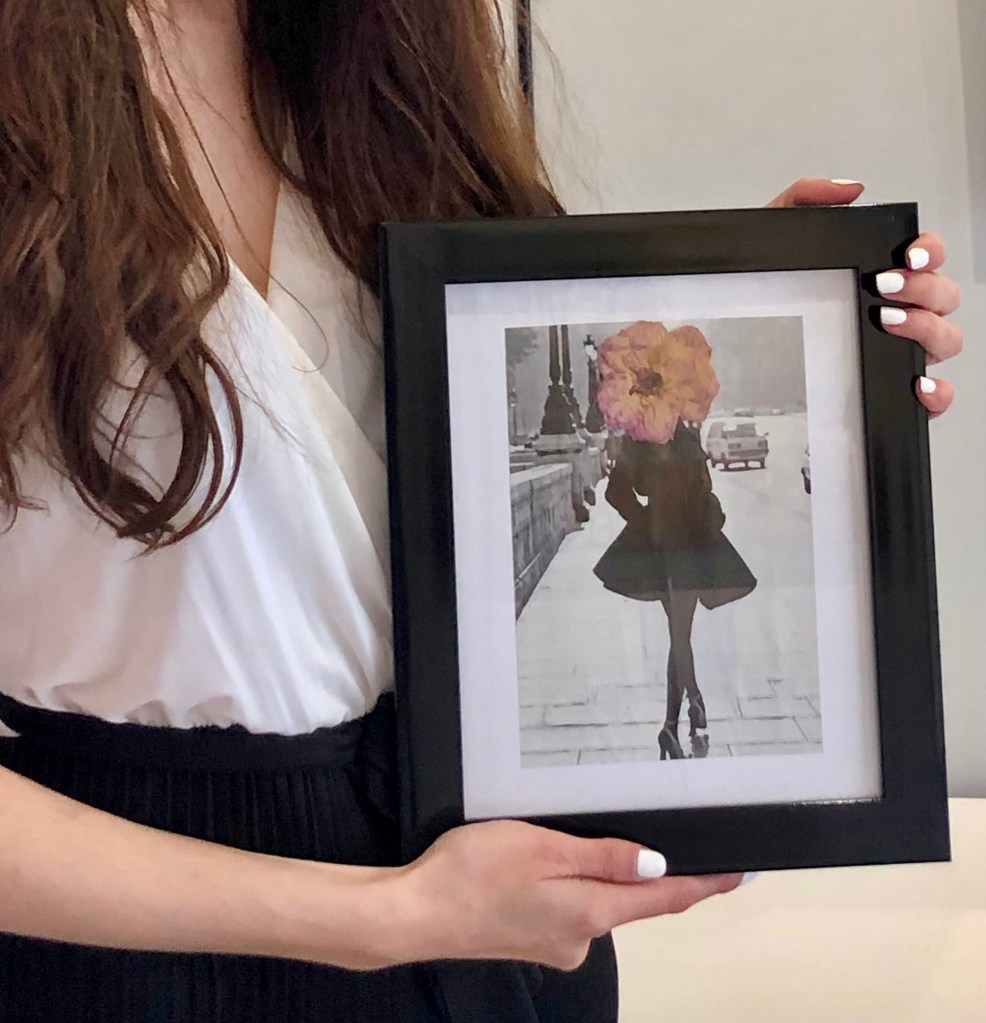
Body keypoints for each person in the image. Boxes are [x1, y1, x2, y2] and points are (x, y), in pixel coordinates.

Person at [0, 2, 963, 1021]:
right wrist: (388, 918)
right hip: (143, 941)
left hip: (489, 913)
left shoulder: (382, 54)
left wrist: (780, 304)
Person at [594, 420, 756, 759]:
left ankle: (671, 726)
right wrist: (645, 520)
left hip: (687, 545)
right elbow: (616, 491)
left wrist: (653, 516)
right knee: (680, 633)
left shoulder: (674, 436)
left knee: (679, 635)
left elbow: (702, 487)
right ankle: (692, 702)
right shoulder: (651, 439)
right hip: (672, 549)